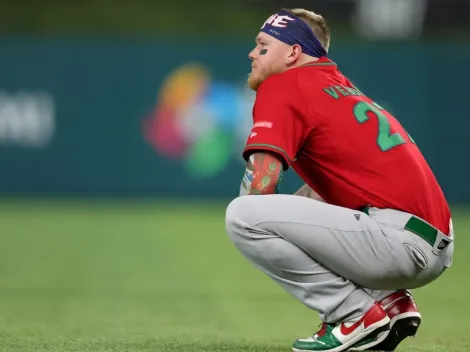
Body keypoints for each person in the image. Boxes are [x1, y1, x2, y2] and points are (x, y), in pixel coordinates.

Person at [224, 7, 454, 352]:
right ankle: (390, 301)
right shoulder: (339, 87)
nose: (252, 53)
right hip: (432, 240)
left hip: (397, 241)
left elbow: (260, 186)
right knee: (302, 204)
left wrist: (256, 220)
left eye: (263, 45)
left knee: (242, 216)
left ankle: (353, 313)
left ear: (293, 53)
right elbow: (332, 188)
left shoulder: (284, 85)